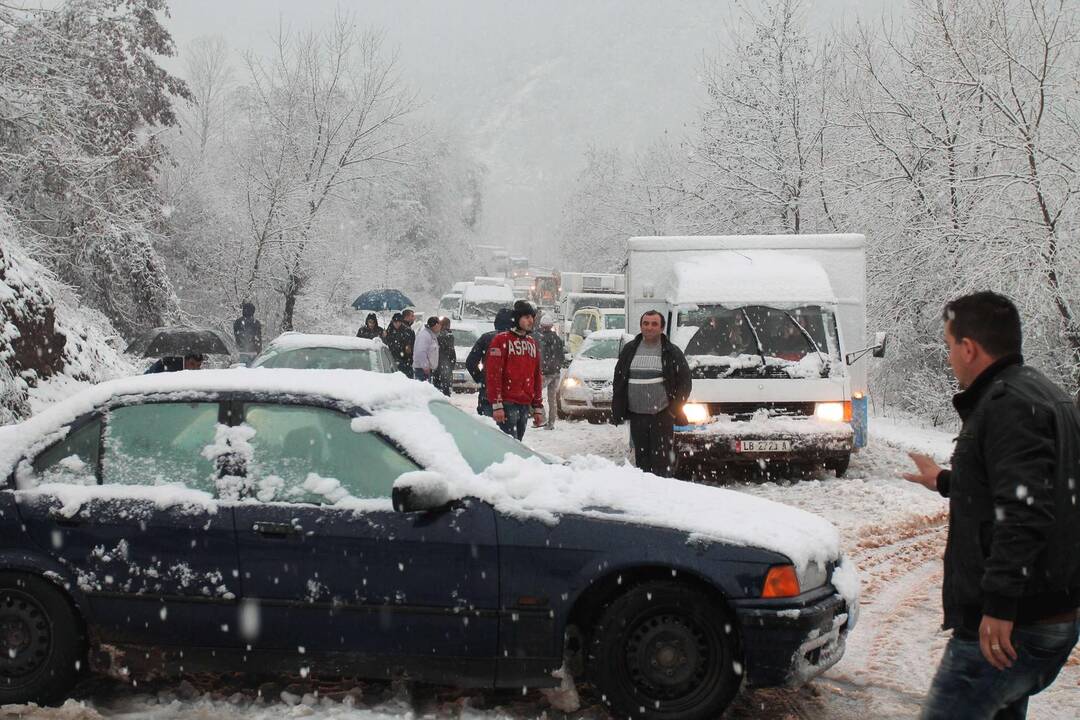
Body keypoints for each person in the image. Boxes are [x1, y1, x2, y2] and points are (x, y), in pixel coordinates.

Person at [902, 291, 1080, 720]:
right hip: (1045, 612)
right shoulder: (1038, 392)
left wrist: (1000, 606)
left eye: (948, 346)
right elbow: (1024, 485)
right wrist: (944, 480)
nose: (948, 358)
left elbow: (1026, 509)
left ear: (969, 347)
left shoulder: (1007, 405)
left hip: (1013, 623)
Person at [611, 310, 692, 477]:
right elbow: (619, 379)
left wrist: (672, 410)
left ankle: (662, 496)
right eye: (645, 323)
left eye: (654, 324)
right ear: (641, 326)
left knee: (661, 462)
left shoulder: (671, 351)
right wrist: (619, 407)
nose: (649, 327)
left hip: (662, 415)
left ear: (662, 328)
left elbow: (685, 383)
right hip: (637, 416)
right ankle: (644, 496)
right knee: (642, 462)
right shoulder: (630, 349)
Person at [485, 300, 544, 439]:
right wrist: (497, 404)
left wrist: (537, 407)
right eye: (526, 317)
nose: (531, 320)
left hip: (524, 404)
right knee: (508, 446)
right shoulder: (501, 340)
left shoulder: (531, 343)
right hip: (507, 403)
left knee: (518, 444)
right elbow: (494, 374)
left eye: (532, 317)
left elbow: (536, 376)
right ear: (517, 319)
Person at [466, 307, 513, 416]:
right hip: (511, 393)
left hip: (488, 392)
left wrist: (481, 377)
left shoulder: (486, 338)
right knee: (509, 432)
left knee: (487, 427)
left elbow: (470, 362)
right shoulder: (518, 341)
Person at [537, 318, 566, 429]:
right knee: (552, 399)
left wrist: (542, 369)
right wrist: (557, 366)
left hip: (546, 373)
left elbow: (542, 356)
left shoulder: (542, 339)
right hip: (556, 373)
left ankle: (542, 418)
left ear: (542, 326)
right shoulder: (557, 339)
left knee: (535, 395)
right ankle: (551, 423)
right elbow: (561, 356)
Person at [384, 311, 416, 377]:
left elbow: (411, 345)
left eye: (399, 322)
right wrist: (384, 336)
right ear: (392, 322)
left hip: (405, 360)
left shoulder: (407, 331)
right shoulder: (389, 331)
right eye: (395, 322)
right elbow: (386, 344)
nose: (397, 324)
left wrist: (408, 349)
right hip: (392, 360)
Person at [412, 316, 442, 382]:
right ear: (436, 325)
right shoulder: (425, 335)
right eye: (440, 324)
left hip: (426, 370)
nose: (440, 327)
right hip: (422, 370)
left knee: (425, 390)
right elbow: (420, 352)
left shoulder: (431, 335)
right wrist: (425, 366)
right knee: (422, 390)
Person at [434, 317, 456, 396]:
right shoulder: (449, 336)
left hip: (438, 364)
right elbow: (451, 352)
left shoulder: (437, 335)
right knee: (445, 387)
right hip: (446, 365)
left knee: (438, 387)